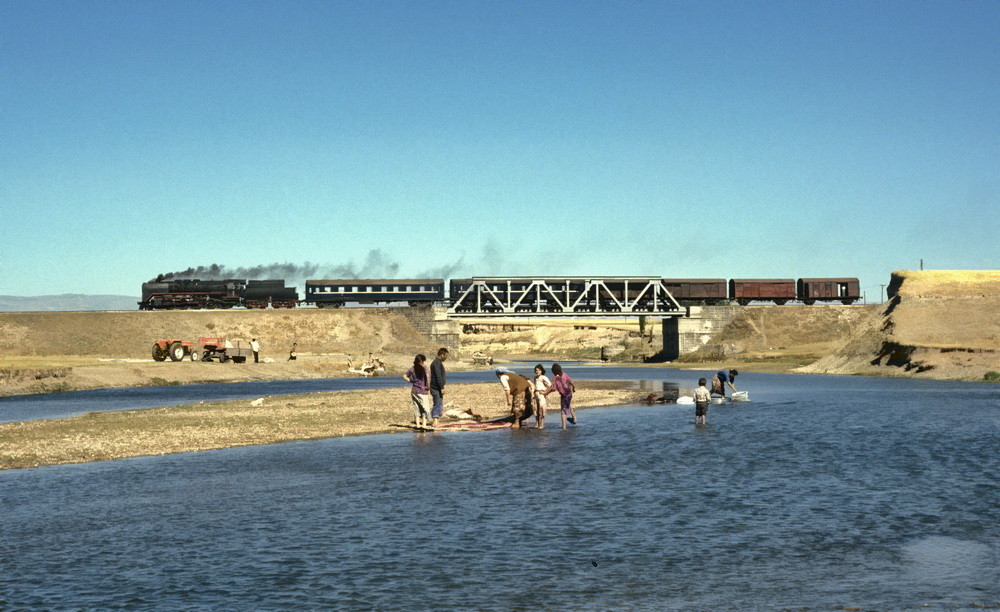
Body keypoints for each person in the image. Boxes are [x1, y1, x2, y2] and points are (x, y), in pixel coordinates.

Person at [403, 354, 432, 428]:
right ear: (422, 361)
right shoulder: (425, 368)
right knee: (425, 407)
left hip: (414, 390)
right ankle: (424, 425)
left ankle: (418, 425)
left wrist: (412, 381)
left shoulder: (412, 368)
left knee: (416, 407)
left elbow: (404, 376)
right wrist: (428, 386)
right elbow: (428, 377)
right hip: (422, 390)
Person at [545, 363, 576, 428]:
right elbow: (571, 382)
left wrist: (546, 393)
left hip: (564, 395)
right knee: (568, 404)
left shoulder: (555, 378)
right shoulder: (565, 374)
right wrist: (573, 388)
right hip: (569, 394)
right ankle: (574, 417)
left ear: (553, 371)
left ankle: (564, 426)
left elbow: (553, 389)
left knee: (563, 410)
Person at [429, 348, 449, 428]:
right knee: (437, 403)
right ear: (442, 355)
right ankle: (435, 421)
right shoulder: (436, 363)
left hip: (436, 387)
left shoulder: (437, 363)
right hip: (436, 387)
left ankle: (436, 420)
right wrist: (441, 387)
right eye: (446, 356)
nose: (446, 358)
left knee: (439, 403)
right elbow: (438, 376)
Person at [533, 364, 552, 429]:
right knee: (535, 408)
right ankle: (537, 422)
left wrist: (545, 392)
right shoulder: (535, 378)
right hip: (536, 393)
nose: (537, 371)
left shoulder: (543, 377)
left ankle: (542, 424)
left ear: (541, 371)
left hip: (541, 394)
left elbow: (550, 385)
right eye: (536, 370)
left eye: (539, 370)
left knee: (542, 408)